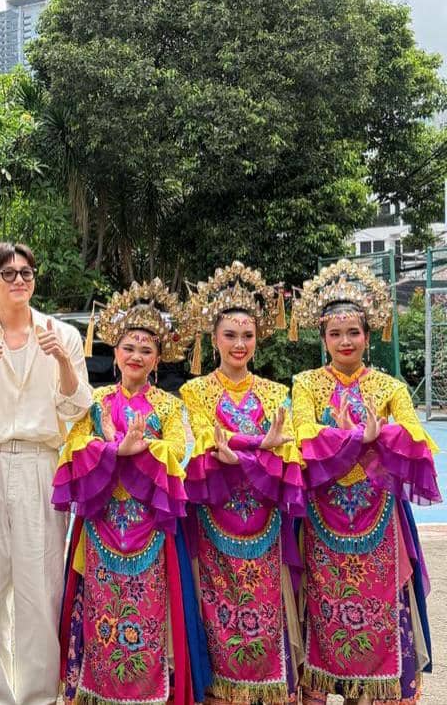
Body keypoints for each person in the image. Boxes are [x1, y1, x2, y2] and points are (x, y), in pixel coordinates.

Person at [291, 259, 440, 705]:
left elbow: (418, 439)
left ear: (368, 338)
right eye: (335, 334)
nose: (344, 341)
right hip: (321, 525)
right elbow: (301, 436)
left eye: (353, 332)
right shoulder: (306, 385)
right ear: (323, 340)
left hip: (379, 523)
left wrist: (363, 438)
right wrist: (360, 438)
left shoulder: (390, 388)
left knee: (381, 612)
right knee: (321, 611)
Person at [0, 241, 91, 705]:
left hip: (40, 461)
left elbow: (75, 408)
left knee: (41, 585)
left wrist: (66, 363)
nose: (19, 281)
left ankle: (39, 696)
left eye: (26, 273)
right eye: (7, 274)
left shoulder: (60, 336)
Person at [53, 279, 207, 705]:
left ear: (157, 359)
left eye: (146, 349)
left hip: (151, 528)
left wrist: (136, 451)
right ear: (115, 352)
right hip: (102, 527)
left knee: (152, 611)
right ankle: (96, 691)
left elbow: (178, 451)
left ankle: (150, 693)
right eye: (128, 347)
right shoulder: (96, 401)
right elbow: (73, 448)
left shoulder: (170, 406)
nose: (136, 356)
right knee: (100, 610)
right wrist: (110, 449)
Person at [180, 262, 304, 705]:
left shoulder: (276, 392)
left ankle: (266, 690)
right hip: (216, 516)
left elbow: (288, 449)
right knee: (215, 606)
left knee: (267, 604)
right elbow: (202, 440)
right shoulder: (195, 392)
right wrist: (259, 446)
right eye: (230, 335)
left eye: (247, 335)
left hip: (265, 518)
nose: (239, 344)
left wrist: (243, 450)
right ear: (213, 338)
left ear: (258, 339)